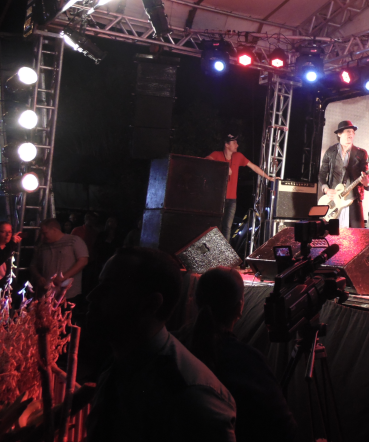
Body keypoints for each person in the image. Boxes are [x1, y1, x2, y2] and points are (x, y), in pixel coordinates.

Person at [85, 248, 237, 442]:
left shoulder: (192, 395)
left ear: (151, 304)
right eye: (99, 285)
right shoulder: (119, 361)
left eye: (109, 289)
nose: (91, 296)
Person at [185, 267, 296, 442]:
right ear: (240, 306)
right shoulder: (248, 362)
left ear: (195, 301)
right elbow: (285, 430)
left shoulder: (173, 345)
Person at [206, 134, 276, 241]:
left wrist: (268, 177)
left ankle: (225, 249)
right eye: (234, 143)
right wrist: (223, 168)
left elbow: (253, 167)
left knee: (227, 227)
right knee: (215, 225)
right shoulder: (217, 154)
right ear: (226, 144)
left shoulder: (238, 156)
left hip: (232, 199)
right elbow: (206, 160)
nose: (237, 145)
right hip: (218, 198)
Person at [318, 120, 369, 228]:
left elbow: (365, 173)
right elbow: (322, 174)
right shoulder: (331, 152)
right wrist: (326, 189)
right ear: (339, 134)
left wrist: (366, 182)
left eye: (353, 132)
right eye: (348, 131)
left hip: (353, 199)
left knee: (356, 235)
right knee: (333, 233)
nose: (351, 134)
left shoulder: (361, 153)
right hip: (334, 200)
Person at [29, 218, 89, 301]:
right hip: (46, 294)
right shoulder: (42, 246)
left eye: (44, 233)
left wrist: (63, 277)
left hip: (68, 294)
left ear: (54, 230)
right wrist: (38, 277)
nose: (42, 237)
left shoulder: (74, 241)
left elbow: (83, 261)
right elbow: (33, 265)